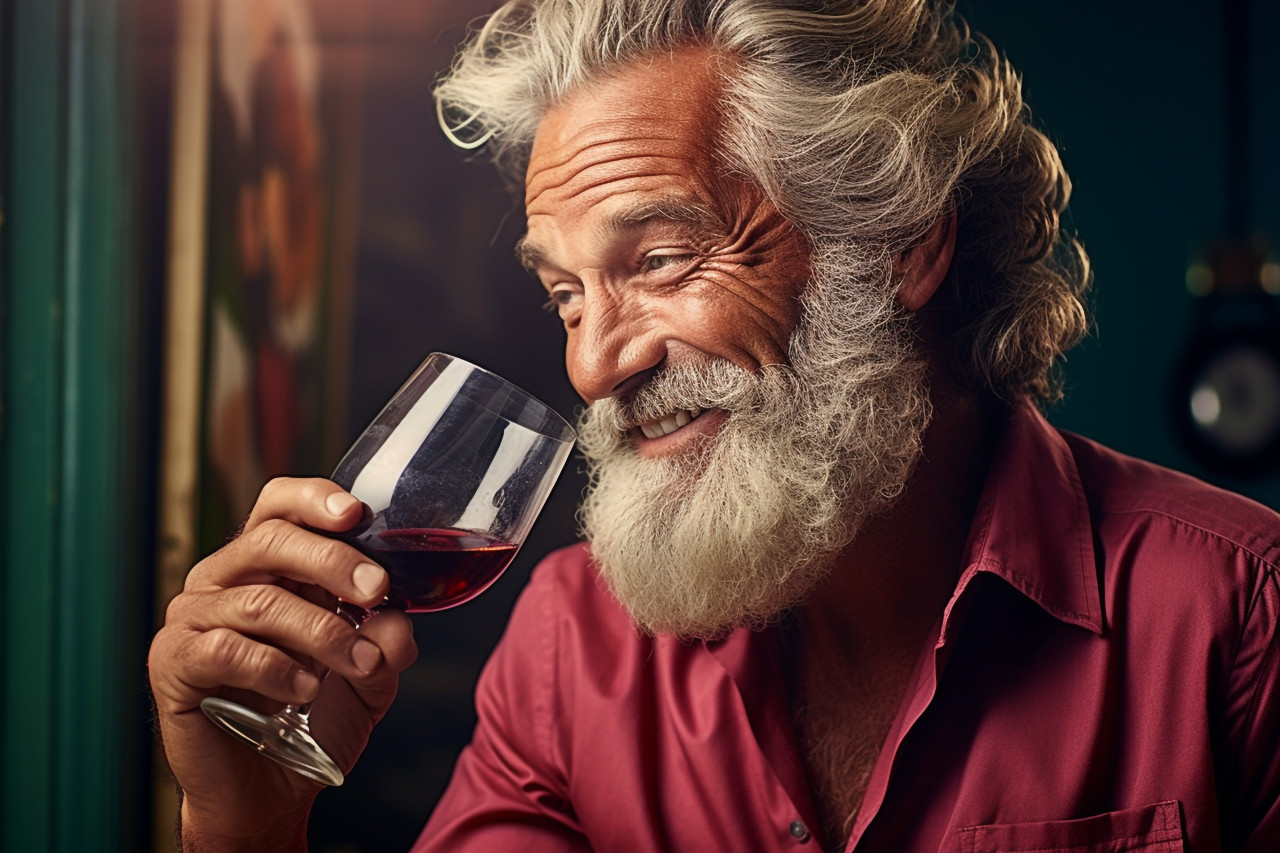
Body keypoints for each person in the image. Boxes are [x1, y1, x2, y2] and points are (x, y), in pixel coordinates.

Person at [148, 1, 1280, 850]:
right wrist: (249, 823)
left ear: (901, 244)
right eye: (565, 292)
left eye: (659, 259)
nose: (593, 364)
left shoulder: (1237, 616)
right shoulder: (570, 646)